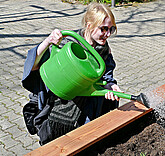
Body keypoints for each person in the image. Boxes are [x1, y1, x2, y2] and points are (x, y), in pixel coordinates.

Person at [22, 2, 122, 145]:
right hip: (60, 110)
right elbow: (34, 67)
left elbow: (106, 77)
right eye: (103, 29)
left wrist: (111, 86)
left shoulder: (104, 51)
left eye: (111, 29)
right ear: (89, 25)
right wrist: (48, 41)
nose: (107, 34)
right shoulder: (68, 44)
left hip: (89, 110)